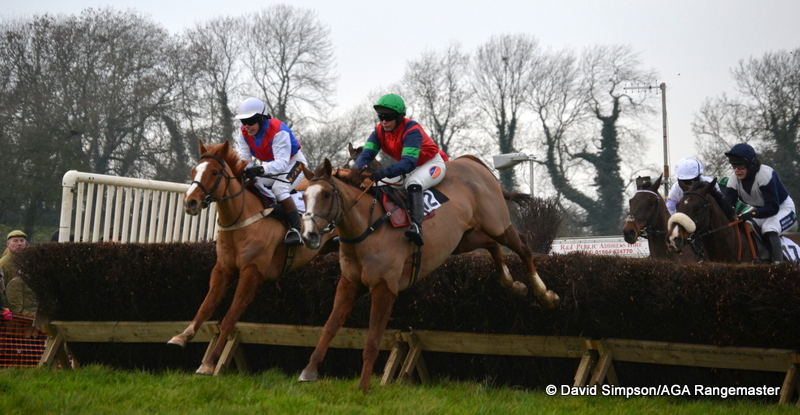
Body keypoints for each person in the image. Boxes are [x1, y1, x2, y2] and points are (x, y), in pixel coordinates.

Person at [352, 94, 449, 246]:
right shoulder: (378, 131)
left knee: (413, 183)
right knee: (375, 186)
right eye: (381, 117)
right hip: (408, 166)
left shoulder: (412, 130)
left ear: (399, 117)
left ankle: (417, 227)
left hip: (430, 164)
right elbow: (367, 154)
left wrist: (382, 173)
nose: (384, 121)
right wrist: (354, 172)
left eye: (388, 117)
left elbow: (408, 163)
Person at [234, 97, 306, 246]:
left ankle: (296, 230)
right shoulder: (243, 134)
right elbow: (244, 159)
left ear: (261, 118)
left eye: (251, 121)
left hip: (295, 163)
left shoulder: (278, 131)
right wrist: (244, 171)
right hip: (273, 164)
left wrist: (259, 169)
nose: (247, 126)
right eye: (243, 122)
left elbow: (281, 164)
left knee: (279, 188)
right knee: (252, 185)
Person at [722, 143, 797, 264]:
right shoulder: (733, 180)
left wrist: (752, 213)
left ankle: (779, 265)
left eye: (740, 166)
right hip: (759, 212)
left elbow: (773, 208)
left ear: (750, 164)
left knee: (769, 228)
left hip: (782, 210)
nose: (736, 170)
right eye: (734, 166)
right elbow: (727, 206)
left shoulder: (765, 175)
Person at [0, 230, 28, 307]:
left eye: (22, 241)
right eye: (15, 241)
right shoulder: (3, 264)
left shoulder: (30, 261)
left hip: (27, 306)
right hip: (11, 308)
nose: (19, 244)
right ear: (8, 244)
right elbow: (1, 291)